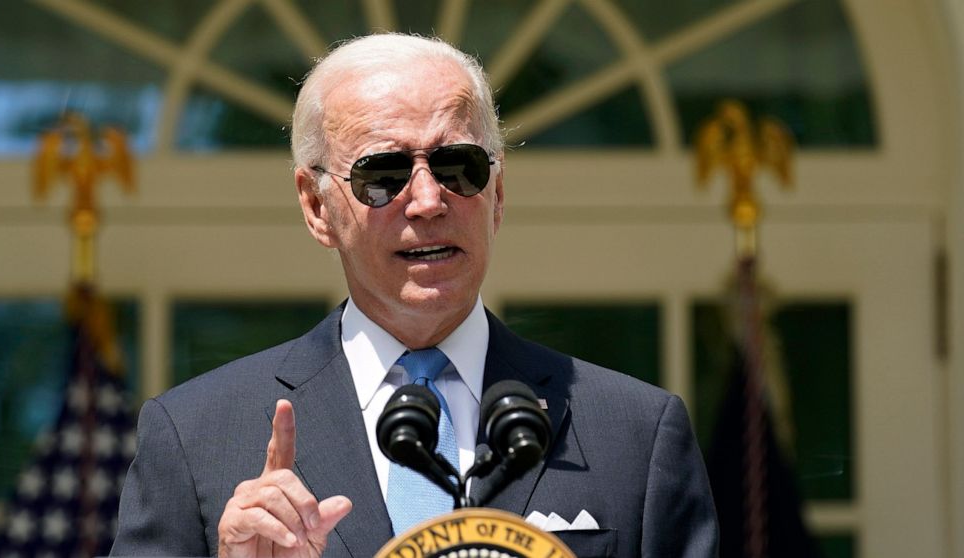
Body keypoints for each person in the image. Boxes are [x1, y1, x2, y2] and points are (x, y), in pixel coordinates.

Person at [111, 33, 718, 558]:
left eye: (459, 167)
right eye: (382, 176)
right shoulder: (196, 437)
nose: (428, 201)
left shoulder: (636, 432)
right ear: (316, 206)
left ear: (497, 194)